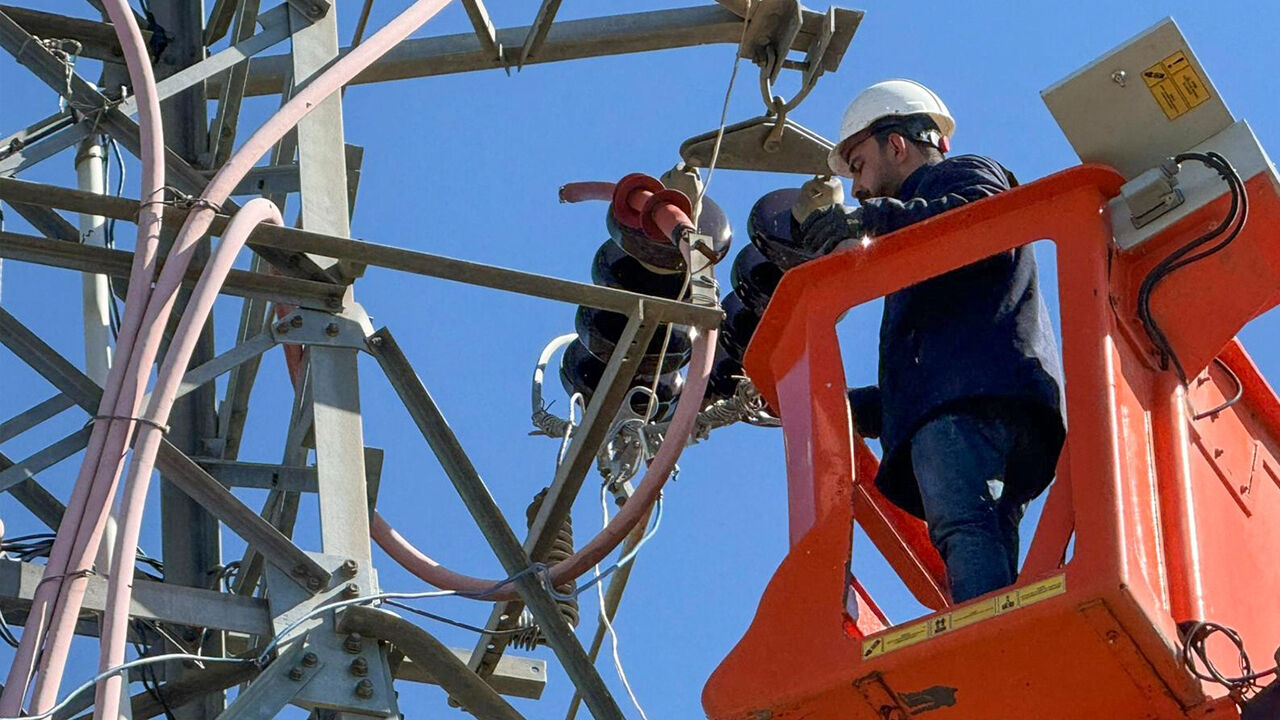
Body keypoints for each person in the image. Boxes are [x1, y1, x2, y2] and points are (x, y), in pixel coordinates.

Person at [793, 79, 1066, 603]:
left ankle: (986, 636)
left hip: (970, 404)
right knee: (981, 531)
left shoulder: (958, 175)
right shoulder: (914, 244)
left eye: (858, 165)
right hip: (983, 396)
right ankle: (996, 627)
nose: (858, 189)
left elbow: (982, 217)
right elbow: (926, 372)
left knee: (965, 526)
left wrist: (870, 220)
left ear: (896, 144)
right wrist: (839, 408)